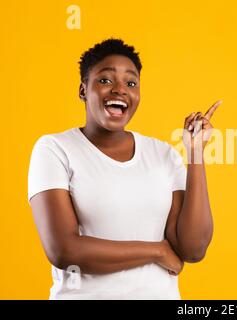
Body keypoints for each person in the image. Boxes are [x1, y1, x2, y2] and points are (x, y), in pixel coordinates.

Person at [27, 38, 221, 299]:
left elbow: (193, 249)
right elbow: (64, 250)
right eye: (106, 80)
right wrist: (157, 251)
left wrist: (196, 153)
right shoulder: (54, 149)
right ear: (83, 90)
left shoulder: (163, 154)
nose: (120, 90)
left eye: (131, 83)